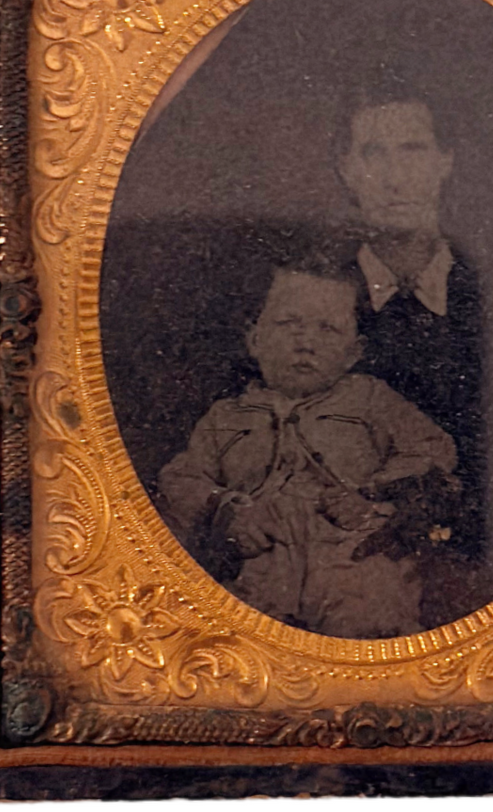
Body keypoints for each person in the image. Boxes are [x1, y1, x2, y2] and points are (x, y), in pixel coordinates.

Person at [157, 263, 457, 637]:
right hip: (258, 560)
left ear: (353, 352)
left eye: (327, 328)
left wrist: (373, 494)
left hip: (353, 554)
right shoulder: (226, 416)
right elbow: (181, 478)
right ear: (255, 341)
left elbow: (433, 449)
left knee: (368, 624)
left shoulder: (370, 398)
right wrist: (227, 511)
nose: (306, 342)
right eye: (288, 324)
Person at [335, 86, 488, 605]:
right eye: (374, 154)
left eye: (413, 151)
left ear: (445, 163)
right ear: (347, 171)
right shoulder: (314, 303)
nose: (395, 177)